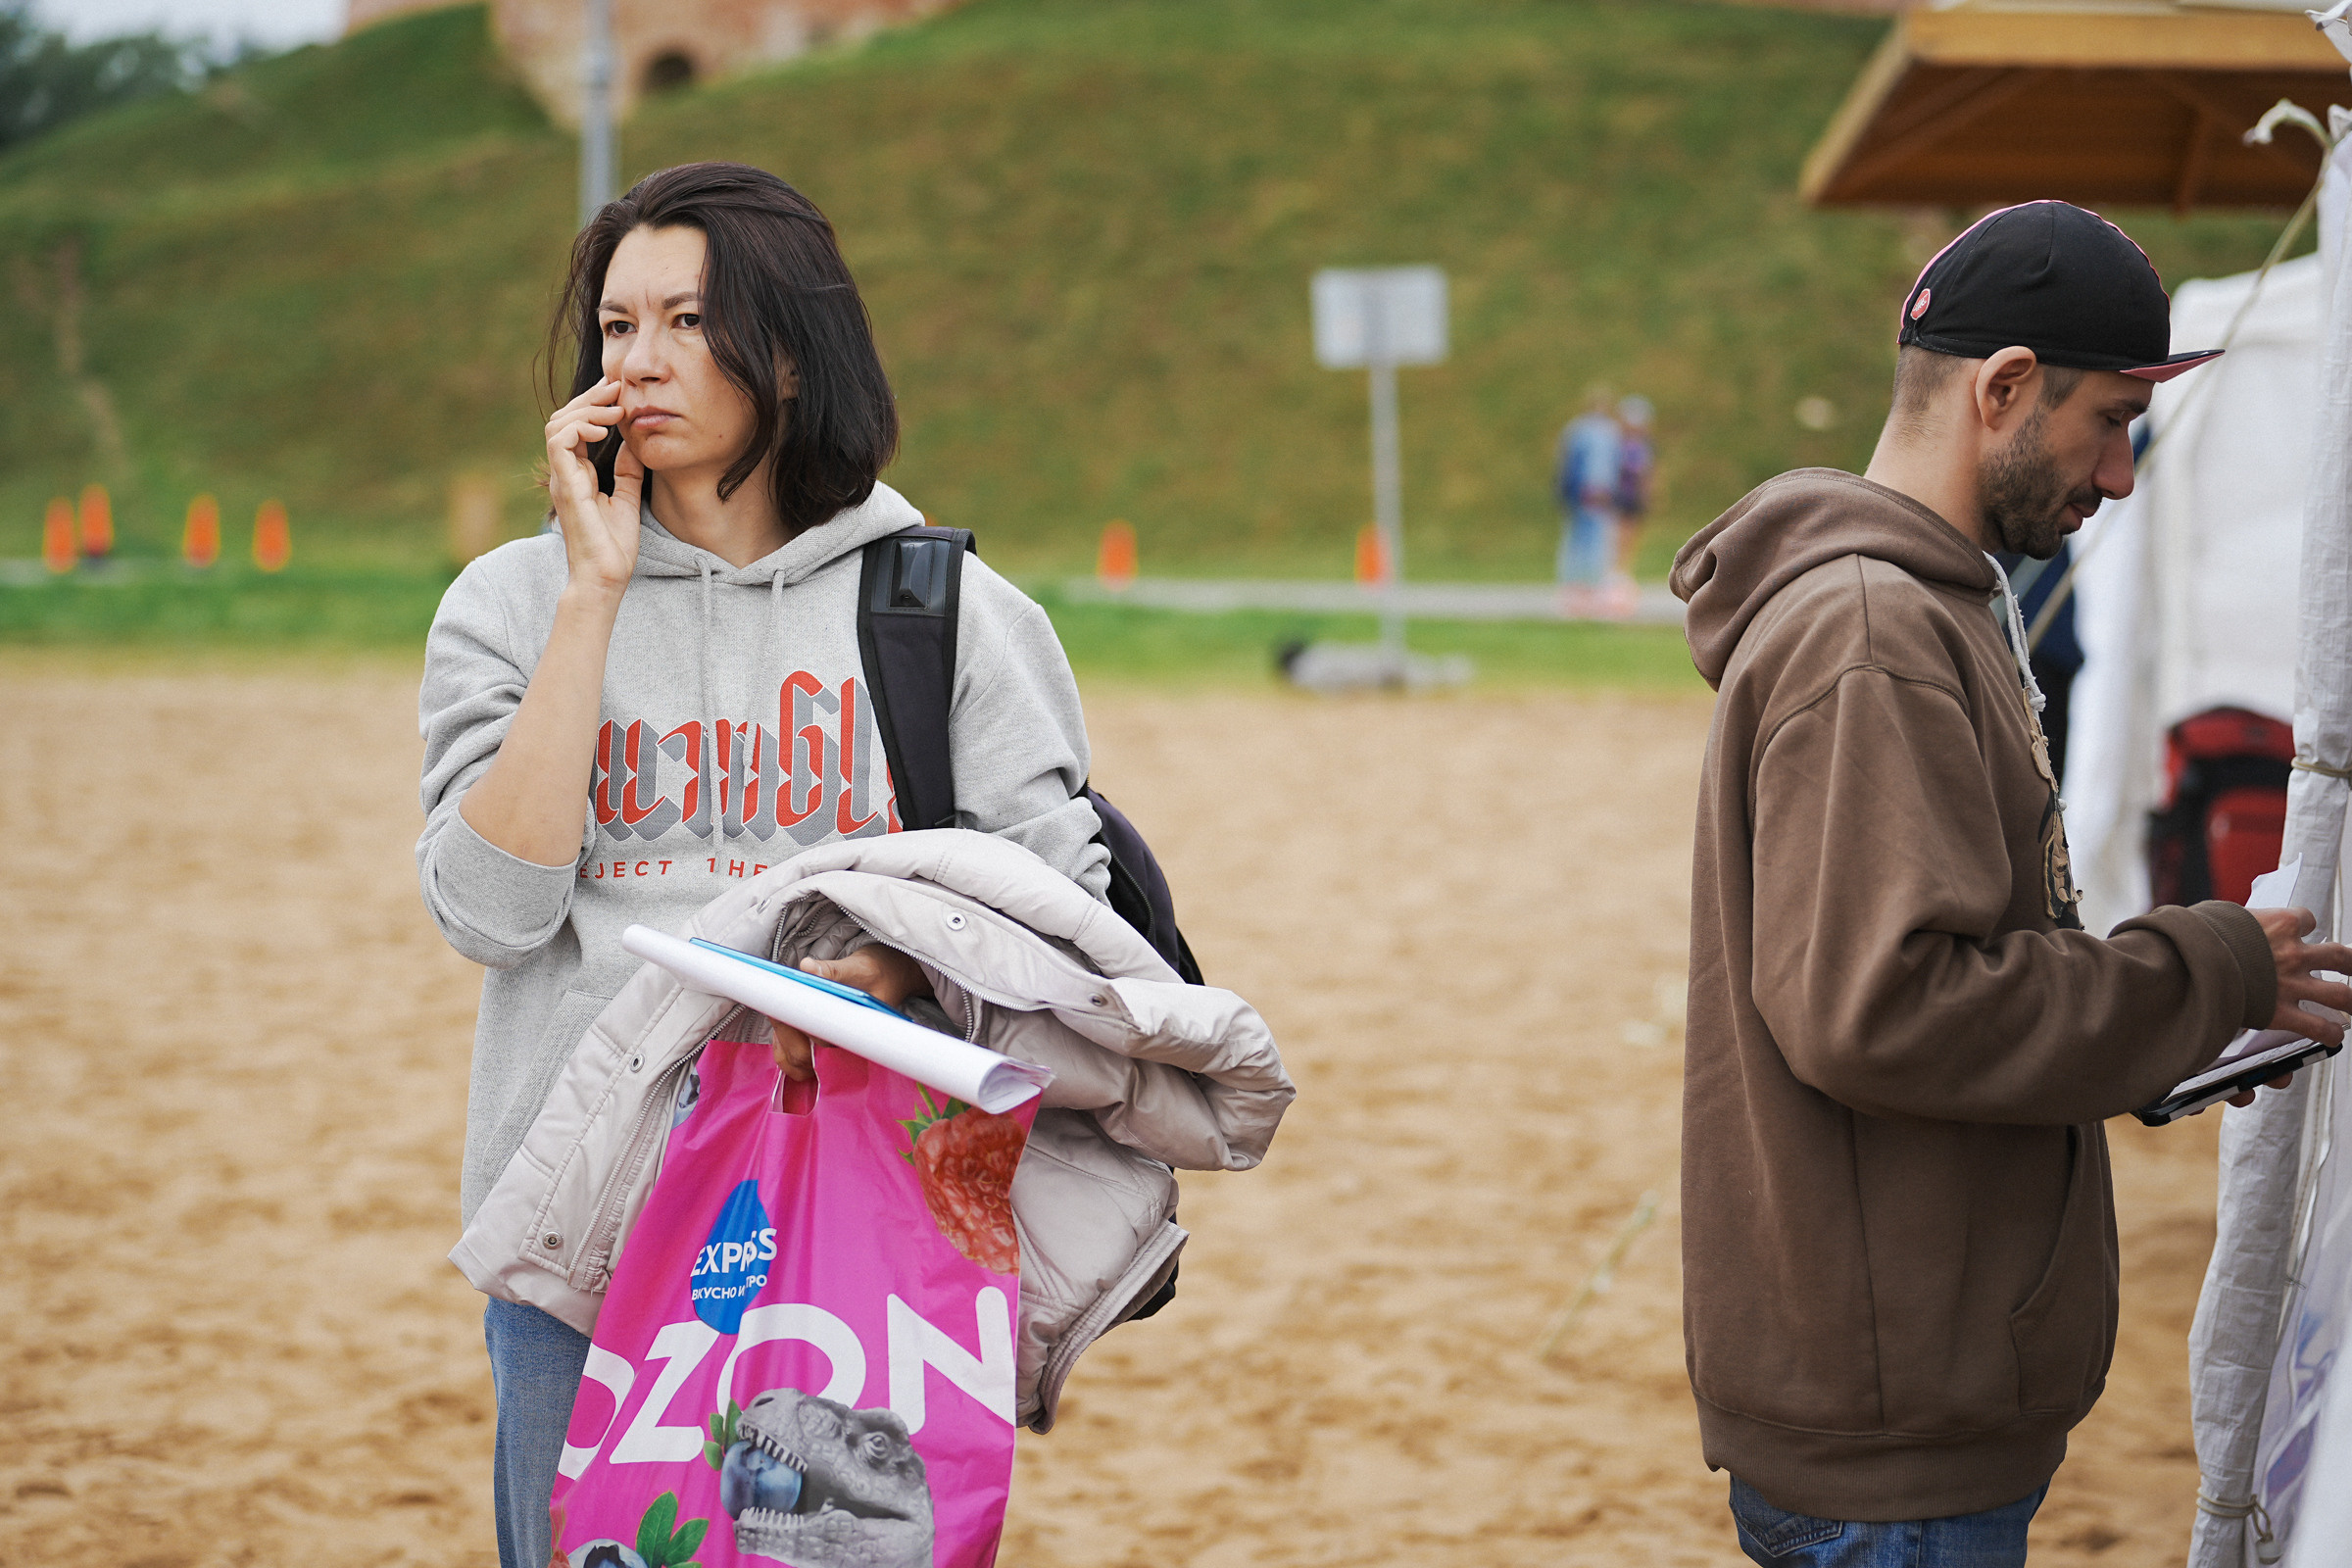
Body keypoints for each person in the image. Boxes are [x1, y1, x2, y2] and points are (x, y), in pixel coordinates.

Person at [415, 162, 1109, 1568]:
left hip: (856, 1232)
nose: (641, 360)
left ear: (787, 352)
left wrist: (881, 969)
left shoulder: (944, 609)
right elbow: (490, 913)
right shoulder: (511, 602)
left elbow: (1062, 917)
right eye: (617, 327)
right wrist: (592, 592)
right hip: (586, 1240)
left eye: (686, 320)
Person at [1667, 200, 2352, 1567]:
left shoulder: (1929, 610)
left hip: (1912, 1407)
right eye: (2111, 422)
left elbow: (1950, 965)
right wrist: (2204, 968)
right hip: (1892, 1446)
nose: (2120, 476)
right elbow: (1887, 1007)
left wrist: (2171, 1039)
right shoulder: (1873, 634)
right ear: (2005, 388)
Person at [1554, 384, 1621, 616]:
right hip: (1586, 492)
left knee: (1591, 540)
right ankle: (1578, 586)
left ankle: (1587, 586)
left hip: (1594, 493)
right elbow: (1572, 464)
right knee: (1585, 540)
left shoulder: (1585, 430)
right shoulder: (1585, 430)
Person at [1610, 394, 1656, 617]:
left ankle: (1623, 574)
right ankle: (1616, 576)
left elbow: (1648, 472)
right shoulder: (1617, 444)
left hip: (1633, 497)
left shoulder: (1643, 445)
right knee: (1617, 535)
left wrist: (1648, 493)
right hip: (1618, 496)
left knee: (1630, 535)